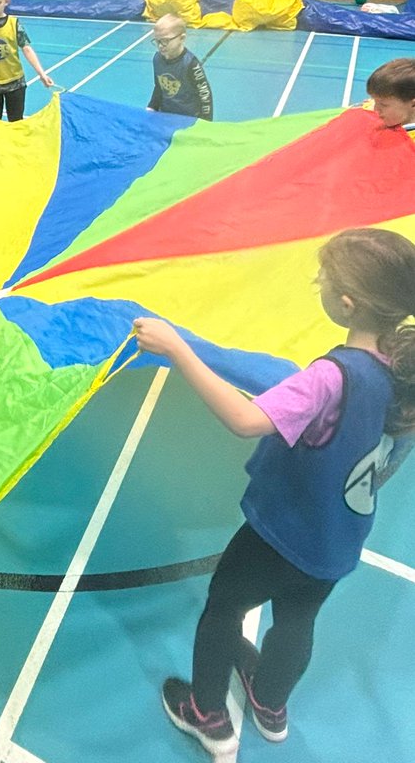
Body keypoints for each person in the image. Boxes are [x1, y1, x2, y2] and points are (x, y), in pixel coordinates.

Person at [133, 227, 415, 756]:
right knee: (298, 619)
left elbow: (244, 419)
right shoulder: (407, 374)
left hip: (279, 535)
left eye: (323, 281)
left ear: (347, 303)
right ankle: (270, 704)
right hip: (337, 542)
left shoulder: (332, 377)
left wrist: (177, 348)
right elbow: (387, 465)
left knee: (222, 609)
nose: (319, 286)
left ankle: (207, 714)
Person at [147, 14, 213, 120]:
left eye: (165, 41)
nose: (160, 46)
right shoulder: (157, 59)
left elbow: (205, 95)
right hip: (166, 115)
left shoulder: (191, 64)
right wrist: (152, 107)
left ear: (181, 38)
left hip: (188, 119)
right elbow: (159, 87)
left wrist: (206, 121)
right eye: (157, 41)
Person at [365, 58, 415, 128]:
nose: (375, 110)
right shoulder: (366, 108)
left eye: (384, 105)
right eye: (374, 100)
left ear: (413, 104)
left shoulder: (409, 138)